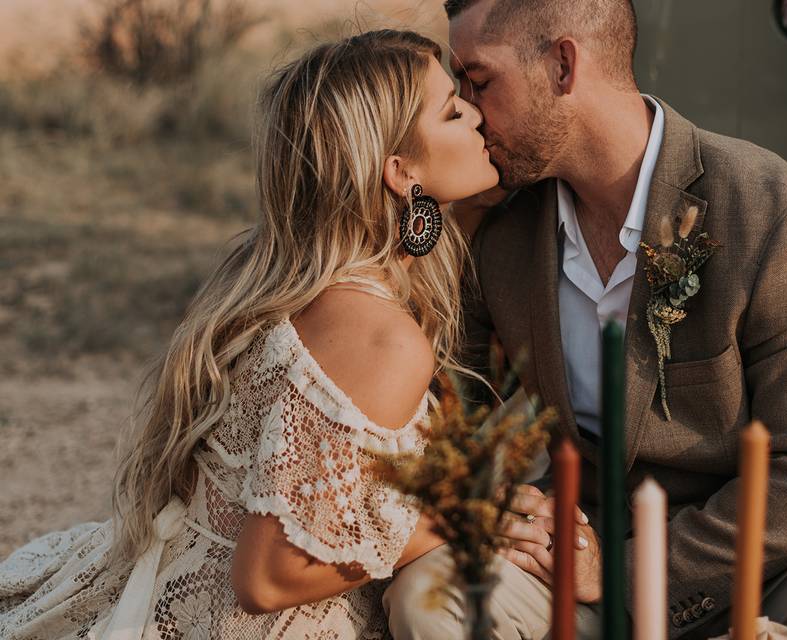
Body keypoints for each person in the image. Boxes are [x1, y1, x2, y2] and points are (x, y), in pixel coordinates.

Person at [382, 1, 787, 639]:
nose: (471, 109)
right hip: (585, 542)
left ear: (562, 66)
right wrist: (505, 506)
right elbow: (451, 410)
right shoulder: (498, 228)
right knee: (431, 599)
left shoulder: (782, 216)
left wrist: (625, 567)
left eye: (480, 81)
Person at [0, 29, 499, 639]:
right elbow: (266, 578)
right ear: (400, 173)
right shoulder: (383, 339)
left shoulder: (289, 278)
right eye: (452, 110)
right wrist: (462, 520)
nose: (477, 114)